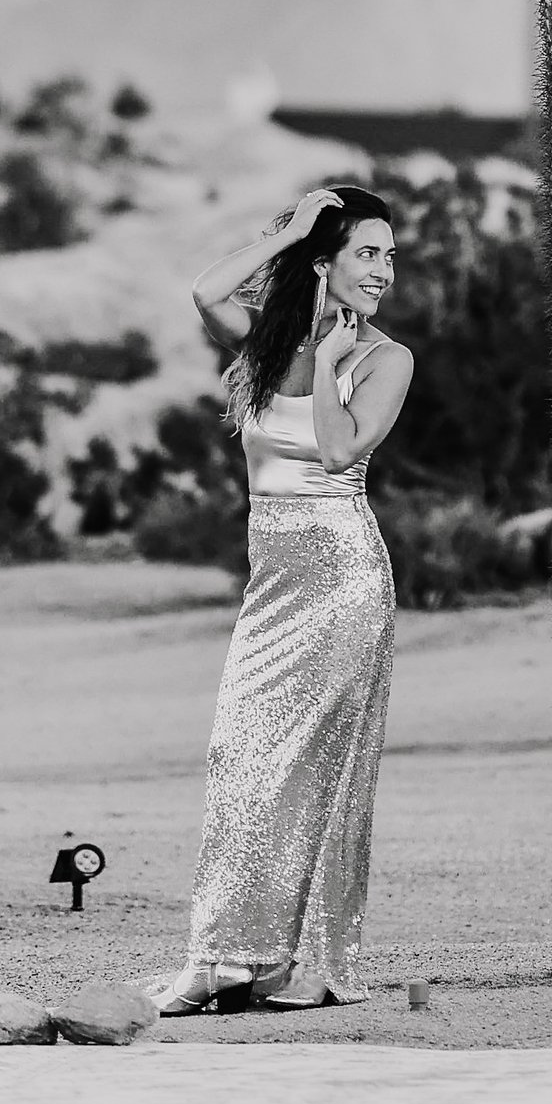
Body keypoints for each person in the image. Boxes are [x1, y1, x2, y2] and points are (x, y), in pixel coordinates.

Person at [152, 182, 414, 1016]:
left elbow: (339, 455)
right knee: (241, 757)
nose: (384, 271)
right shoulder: (264, 345)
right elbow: (205, 291)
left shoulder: (387, 359)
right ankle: (223, 960)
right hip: (274, 586)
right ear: (325, 261)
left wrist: (335, 364)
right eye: (368, 252)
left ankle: (300, 964)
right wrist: (297, 228)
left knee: (315, 775)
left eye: (390, 256)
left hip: (344, 581)